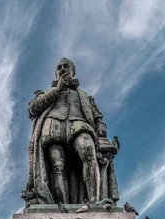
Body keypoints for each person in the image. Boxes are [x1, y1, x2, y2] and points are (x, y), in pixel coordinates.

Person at [22, 58, 114, 207]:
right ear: (56, 73)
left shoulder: (83, 94)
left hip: (79, 123)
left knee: (88, 151)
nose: (62, 69)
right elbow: (34, 108)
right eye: (59, 67)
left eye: (66, 67)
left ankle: (94, 203)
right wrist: (57, 89)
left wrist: (100, 124)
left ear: (72, 71)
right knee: (57, 166)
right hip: (53, 125)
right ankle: (62, 206)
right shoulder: (46, 92)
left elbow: (96, 114)